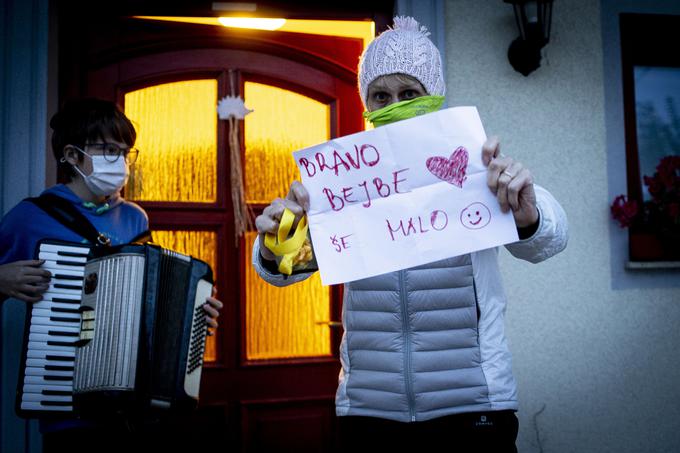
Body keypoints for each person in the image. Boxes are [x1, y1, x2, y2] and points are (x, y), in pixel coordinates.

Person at [252, 16, 568, 452]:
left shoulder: (476, 164)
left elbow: (548, 240)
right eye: (380, 95)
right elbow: (285, 268)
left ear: (433, 97)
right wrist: (275, 241)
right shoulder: (344, 180)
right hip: (369, 411)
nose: (394, 104)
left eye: (409, 94)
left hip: (473, 407)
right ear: (366, 103)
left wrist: (529, 209)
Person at [0, 98, 222, 451]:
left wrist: (194, 315)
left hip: (136, 412)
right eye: (107, 149)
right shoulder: (30, 217)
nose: (120, 161)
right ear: (72, 156)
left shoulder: (134, 218)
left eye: (124, 152)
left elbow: (153, 295)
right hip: (67, 411)